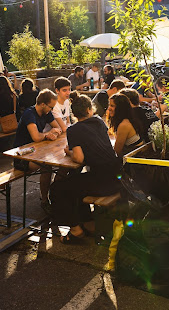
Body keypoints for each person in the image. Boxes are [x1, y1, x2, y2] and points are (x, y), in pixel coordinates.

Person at [51, 91, 122, 244]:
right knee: (74, 183)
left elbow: (78, 158)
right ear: (90, 110)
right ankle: (89, 224)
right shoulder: (98, 121)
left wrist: (68, 151)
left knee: (58, 188)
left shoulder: (73, 129)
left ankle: (76, 231)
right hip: (116, 177)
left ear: (74, 113)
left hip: (102, 182)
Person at [14, 89, 62, 212]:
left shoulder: (46, 112)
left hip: (37, 151)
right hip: (22, 156)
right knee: (47, 166)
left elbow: (58, 128)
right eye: (50, 107)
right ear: (42, 104)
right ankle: (45, 200)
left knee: (61, 163)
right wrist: (48, 134)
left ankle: (56, 195)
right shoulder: (29, 113)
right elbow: (36, 137)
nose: (51, 110)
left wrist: (53, 134)